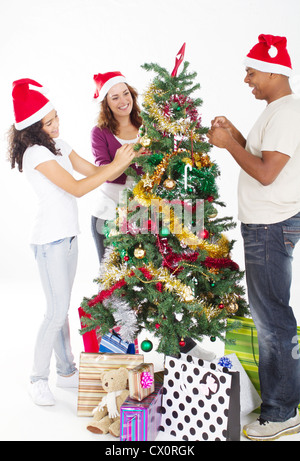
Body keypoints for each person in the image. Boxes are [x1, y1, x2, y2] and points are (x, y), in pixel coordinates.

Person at [8, 78, 136, 406]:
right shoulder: (35, 153)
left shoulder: (60, 144)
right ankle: (37, 379)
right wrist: (117, 164)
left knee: (62, 309)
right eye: (48, 121)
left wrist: (123, 163)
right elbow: (78, 187)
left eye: (56, 116)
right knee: (55, 311)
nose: (56, 124)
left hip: (68, 238)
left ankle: (66, 373)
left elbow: (95, 171)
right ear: (32, 128)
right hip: (48, 242)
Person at [207, 34, 300, 441]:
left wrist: (228, 146)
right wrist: (238, 136)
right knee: (270, 315)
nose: (247, 79)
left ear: (275, 70)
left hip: (270, 226)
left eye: (251, 71)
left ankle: (281, 412)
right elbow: (262, 158)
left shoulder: (288, 113)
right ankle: (282, 401)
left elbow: (265, 174)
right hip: (267, 223)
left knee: (271, 319)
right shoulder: (275, 111)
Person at [90, 71, 143, 263]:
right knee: (110, 282)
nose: (123, 100)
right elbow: (106, 175)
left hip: (144, 215)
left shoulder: (147, 126)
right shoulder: (99, 133)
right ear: (106, 103)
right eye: (115, 97)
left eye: (126, 93)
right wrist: (133, 156)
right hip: (108, 216)